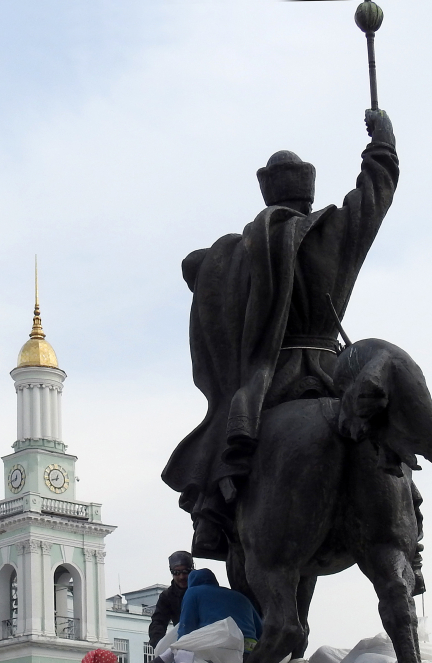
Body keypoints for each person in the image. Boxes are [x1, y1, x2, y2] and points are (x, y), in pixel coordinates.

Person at [162, 110, 401, 562]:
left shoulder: (239, 251)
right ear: (308, 195)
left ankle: (211, 520)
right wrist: (382, 141)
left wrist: (225, 267)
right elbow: (377, 193)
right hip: (334, 374)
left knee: (224, 439)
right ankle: (412, 537)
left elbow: (192, 266)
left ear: (267, 192)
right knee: (388, 435)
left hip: (273, 380)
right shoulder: (336, 232)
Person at [177, 568, 262, 652]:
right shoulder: (242, 597)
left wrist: (179, 655)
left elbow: (186, 626)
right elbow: (261, 630)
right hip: (250, 650)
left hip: (218, 648)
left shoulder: (192, 592)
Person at [147, 551, 194, 649]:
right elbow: (158, 622)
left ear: (192, 570)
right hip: (184, 642)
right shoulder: (167, 596)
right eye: (176, 573)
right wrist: (159, 645)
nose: (181, 577)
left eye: (185, 572)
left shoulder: (203, 589)